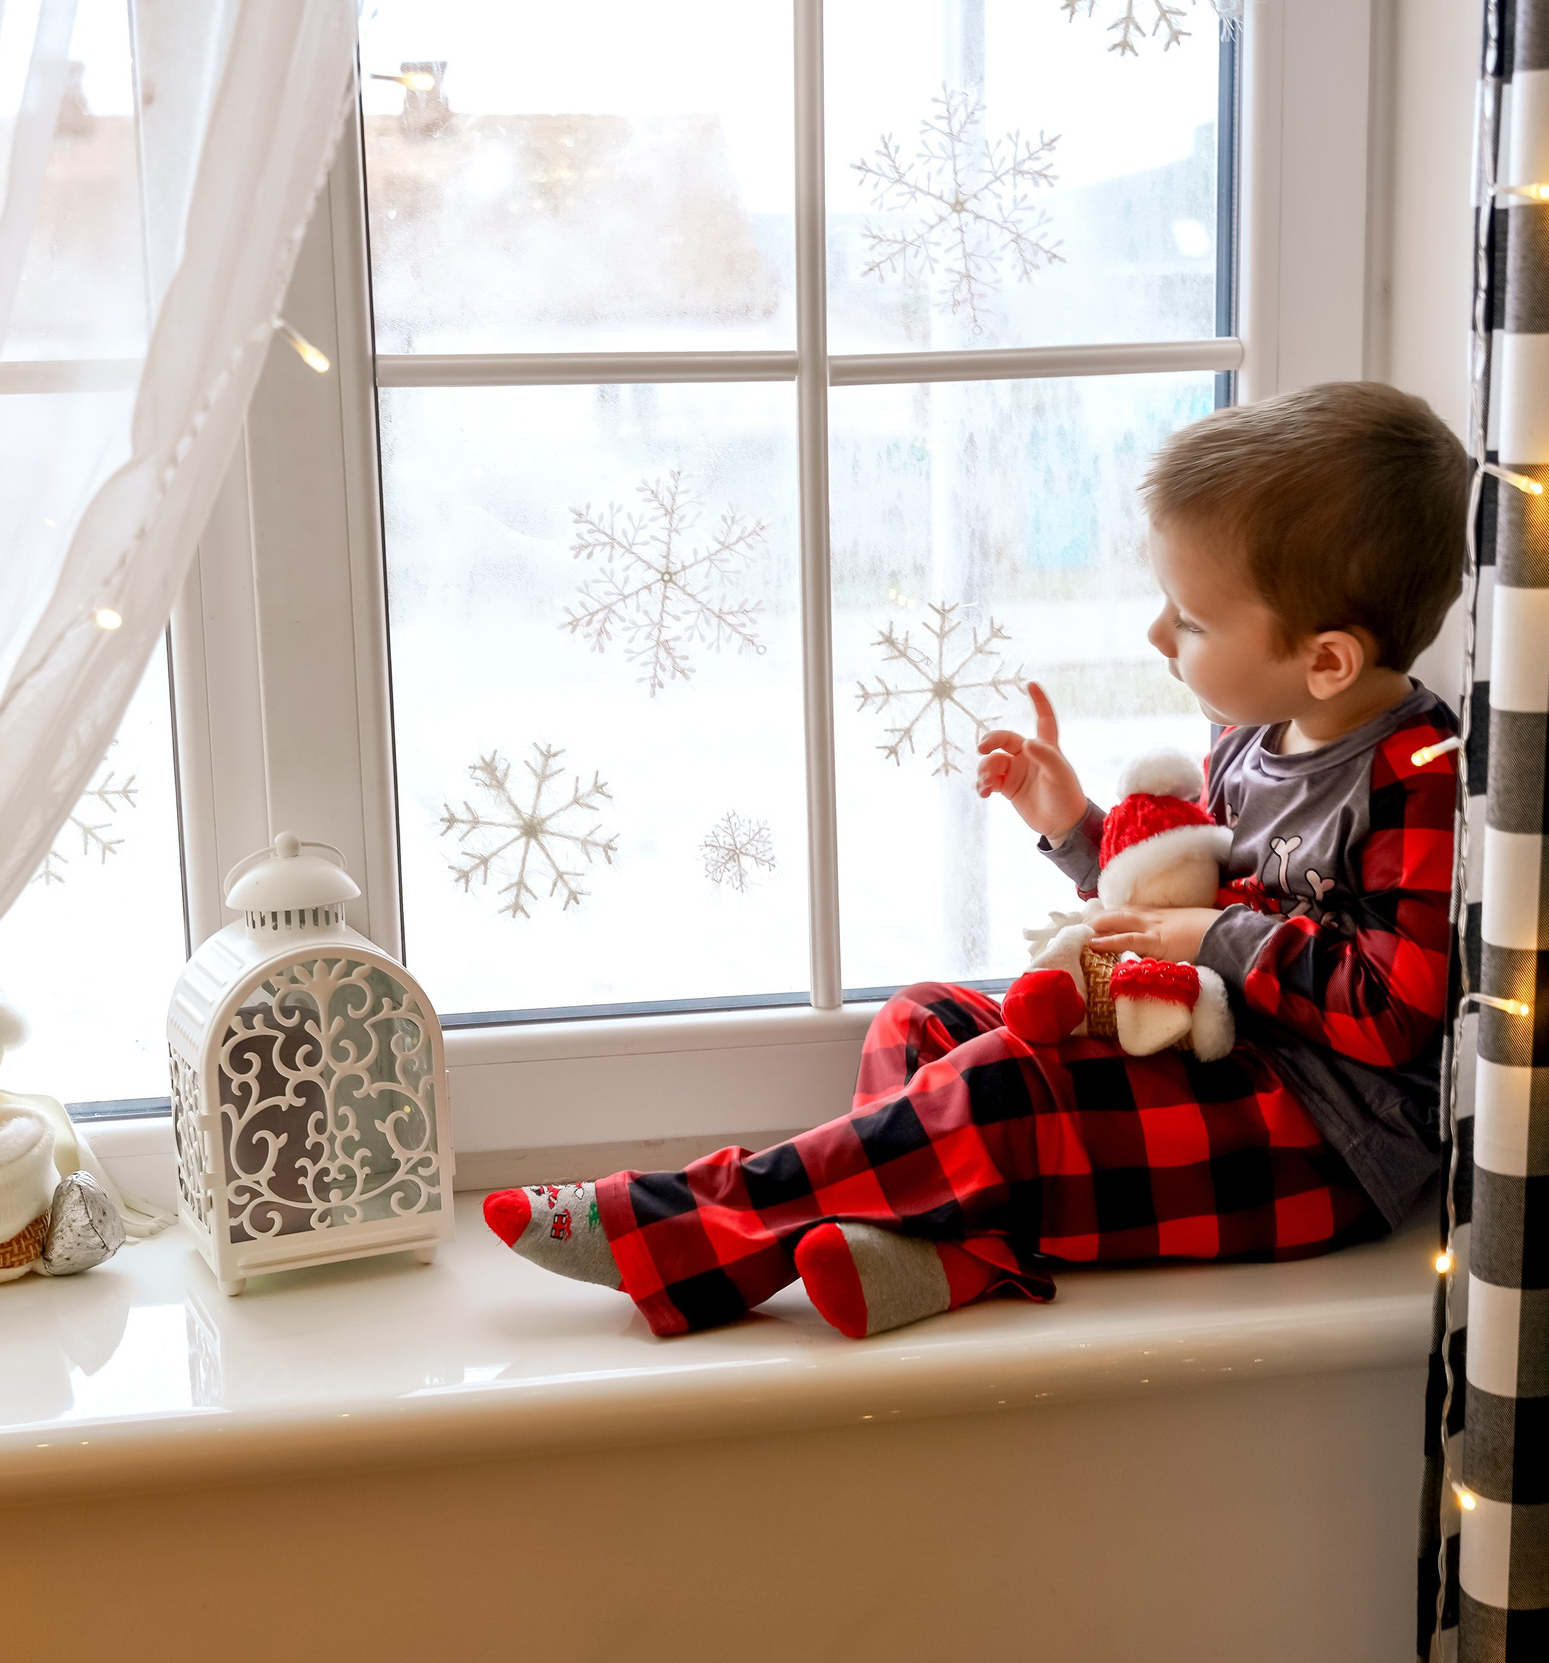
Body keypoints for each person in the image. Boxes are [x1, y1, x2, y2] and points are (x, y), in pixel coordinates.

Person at [484, 382, 1469, 1337]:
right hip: (1201, 1054)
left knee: (1001, 1087)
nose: (1156, 633)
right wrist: (1077, 826)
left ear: (1327, 658)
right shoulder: (1253, 737)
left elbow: (1397, 1006)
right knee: (918, 1020)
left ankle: (682, 1226)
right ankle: (944, 1258)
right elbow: (1179, 902)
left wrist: (1215, 934)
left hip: (1315, 1142)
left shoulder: (1413, 773)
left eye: (1194, 620)